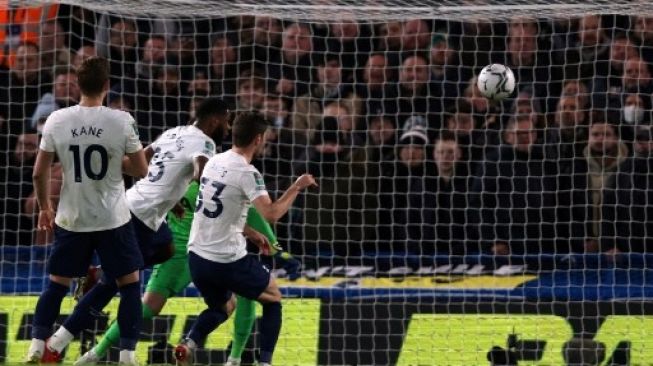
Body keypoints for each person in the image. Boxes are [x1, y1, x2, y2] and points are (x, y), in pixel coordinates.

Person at [41, 97, 231, 364]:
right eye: (226, 121)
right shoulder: (206, 144)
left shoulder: (173, 132)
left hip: (134, 206)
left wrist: (172, 198)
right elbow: (202, 172)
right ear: (214, 120)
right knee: (114, 285)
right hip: (139, 217)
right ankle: (62, 343)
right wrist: (216, 187)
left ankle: (64, 334)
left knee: (165, 248)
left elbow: (141, 160)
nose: (228, 128)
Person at [26, 56, 148, 365]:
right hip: (111, 219)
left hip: (72, 216)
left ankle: (38, 345)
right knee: (129, 284)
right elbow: (141, 170)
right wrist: (115, 159)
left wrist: (44, 207)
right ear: (107, 86)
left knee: (57, 283)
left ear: (77, 85)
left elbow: (39, 173)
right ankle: (127, 355)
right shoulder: (121, 120)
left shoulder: (57, 119)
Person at [173, 111, 317, 366]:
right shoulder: (247, 172)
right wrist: (296, 187)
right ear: (258, 139)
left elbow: (221, 209)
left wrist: (250, 232)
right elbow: (271, 214)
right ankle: (265, 363)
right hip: (226, 260)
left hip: (197, 256)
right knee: (273, 298)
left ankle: (189, 342)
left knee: (223, 307)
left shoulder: (214, 161)